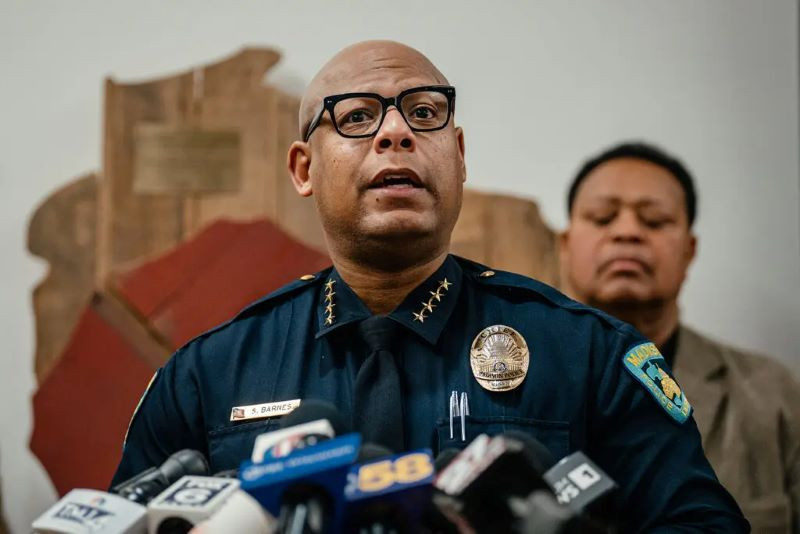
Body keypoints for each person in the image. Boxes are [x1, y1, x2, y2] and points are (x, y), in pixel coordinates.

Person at [113, 42, 748, 531]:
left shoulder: (588, 354)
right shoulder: (208, 374)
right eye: (358, 116)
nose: (397, 133)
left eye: (424, 113)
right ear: (304, 169)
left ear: (460, 156)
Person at [560, 141, 800, 532]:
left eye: (654, 221)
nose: (627, 232)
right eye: (603, 218)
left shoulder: (776, 395)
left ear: (690, 251)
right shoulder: (509, 383)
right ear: (566, 246)